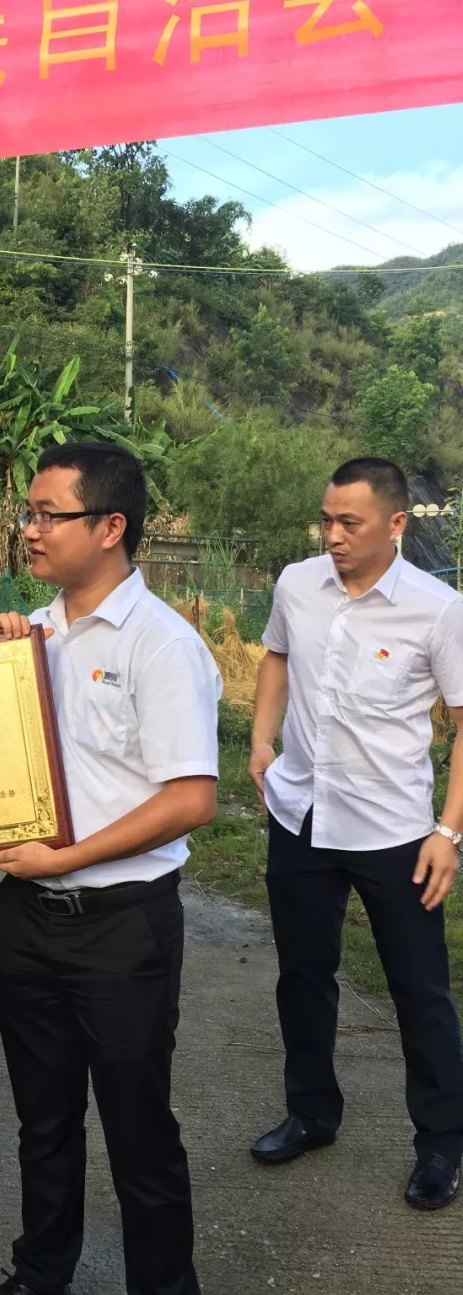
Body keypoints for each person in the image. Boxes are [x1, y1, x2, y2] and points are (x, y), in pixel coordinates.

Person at [0, 444, 220, 1295]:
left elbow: (190, 798)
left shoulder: (160, 643)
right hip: (28, 919)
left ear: (110, 527)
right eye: (29, 511)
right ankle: (43, 1277)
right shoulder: (28, 637)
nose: (28, 528)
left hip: (121, 926)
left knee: (140, 1132)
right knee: (43, 1118)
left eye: (47, 513)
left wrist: (65, 857)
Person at [248, 457, 463, 1212]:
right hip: (301, 814)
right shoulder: (296, 584)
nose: (332, 535)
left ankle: (441, 1143)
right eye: (326, 520)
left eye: (350, 522)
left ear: (395, 524)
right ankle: (311, 1112)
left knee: (419, 989)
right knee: (303, 976)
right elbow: (276, 656)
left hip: (393, 829)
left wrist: (448, 832)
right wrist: (261, 740)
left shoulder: (438, 609)